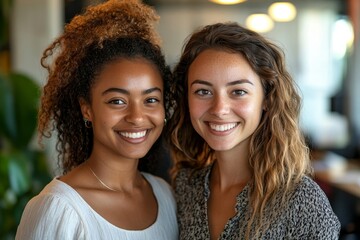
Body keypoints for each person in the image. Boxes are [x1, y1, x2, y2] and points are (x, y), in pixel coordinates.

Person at [15, 0, 178, 239]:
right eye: (117, 101)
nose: (136, 117)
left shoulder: (165, 195)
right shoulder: (59, 209)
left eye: (151, 100)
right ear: (86, 109)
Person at [165, 22, 341, 239]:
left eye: (238, 91)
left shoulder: (301, 201)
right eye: (203, 91)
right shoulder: (185, 186)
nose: (219, 109)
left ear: (266, 99)